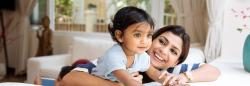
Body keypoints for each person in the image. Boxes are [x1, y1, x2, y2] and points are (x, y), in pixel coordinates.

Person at [59, 24, 220, 86]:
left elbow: (213, 71)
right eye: (162, 42)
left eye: (173, 51)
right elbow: (70, 78)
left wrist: (186, 76)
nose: (164, 51)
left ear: (175, 62)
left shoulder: (170, 73)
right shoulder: (123, 59)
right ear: (149, 40)